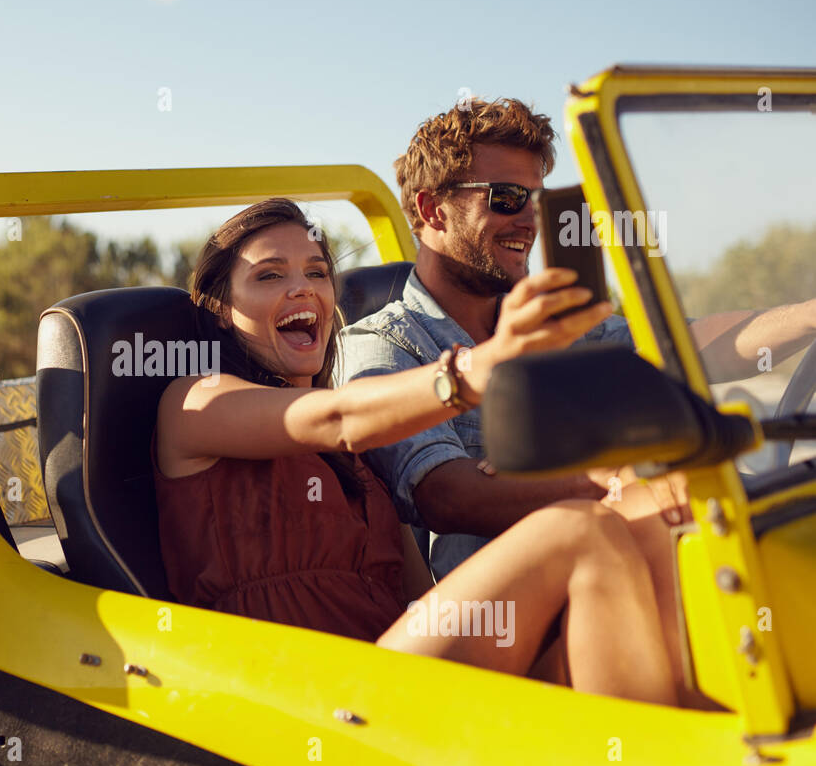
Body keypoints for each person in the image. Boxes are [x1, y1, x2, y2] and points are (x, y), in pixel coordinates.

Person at [153, 198, 679, 706]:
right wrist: (486, 364)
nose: (302, 289)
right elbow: (338, 419)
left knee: (647, 511)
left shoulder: (356, 462)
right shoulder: (196, 403)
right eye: (270, 275)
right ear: (220, 309)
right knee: (578, 531)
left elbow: (418, 599)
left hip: (399, 677)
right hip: (301, 697)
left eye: (316, 273)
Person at [338, 97, 816, 580]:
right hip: (499, 625)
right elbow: (449, 496)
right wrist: (617, 478)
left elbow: (683, 347)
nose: (529, 220)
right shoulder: (384, 344)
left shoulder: (551, 320)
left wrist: (809, 316)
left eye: (537, 200)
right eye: (506, 197)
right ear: (432, 210)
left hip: (622, 567)